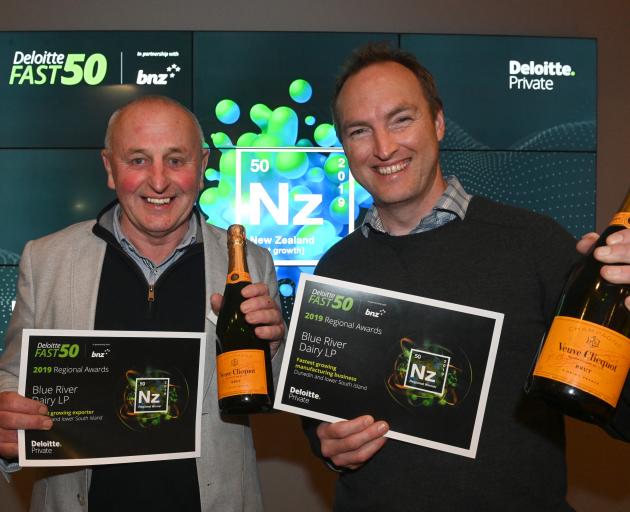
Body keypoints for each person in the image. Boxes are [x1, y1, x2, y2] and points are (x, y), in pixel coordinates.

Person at [302, 43, 630, 511]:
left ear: (437, 123)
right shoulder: (337, 267)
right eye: (360, 130)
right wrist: (328, 446)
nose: (384, 147)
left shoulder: (534, 243)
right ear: (345, 146)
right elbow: (320, 414)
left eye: (401, 119)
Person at [0, 95, 285, 511]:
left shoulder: (251, 262)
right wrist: (8, 420)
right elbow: (13, 376)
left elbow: (271, 394)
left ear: (203, 165)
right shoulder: (45, 259)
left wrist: (271, 351)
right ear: (109, 168)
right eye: (137, 160)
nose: (158, 181)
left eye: (176, 160)